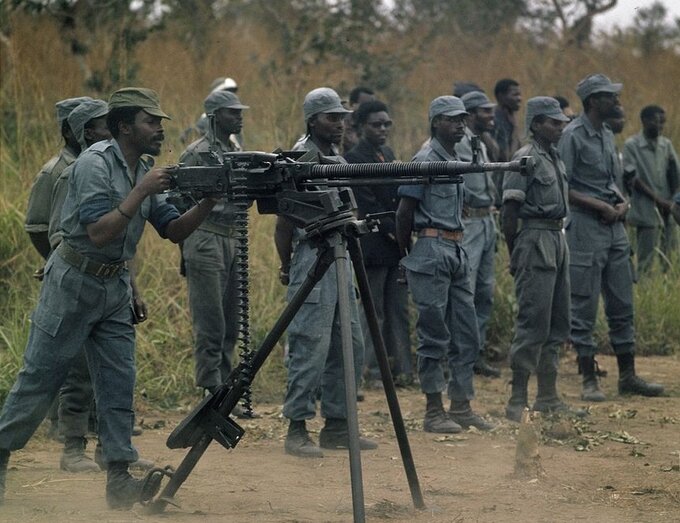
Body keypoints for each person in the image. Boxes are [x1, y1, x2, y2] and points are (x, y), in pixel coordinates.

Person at [0, 87, 218, 509]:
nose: (158, 129)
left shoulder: (146, 168)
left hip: (114, 287)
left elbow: (173, 230)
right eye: (150, 121)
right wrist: (142, 191)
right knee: (40, 380)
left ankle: (119, 476)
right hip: (73, 283)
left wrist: (210, 201)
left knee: (119, 383)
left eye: (159, 122)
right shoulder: (93, 164)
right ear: (124, 127)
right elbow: (99, 231)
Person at [274, 87, 376, 458]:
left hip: (343, 257)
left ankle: (338, 425)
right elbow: (284, 223)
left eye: (342, 117)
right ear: (312, 119)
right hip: (312, 257)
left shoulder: (338, 158)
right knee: (309, 345)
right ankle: (297, 427)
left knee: (349, 345)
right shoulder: (300, 158)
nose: (339, 124)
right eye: (332, 117)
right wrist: (287, 266)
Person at [558, 74, 664, 402]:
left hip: (614, 228)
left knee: (622, 302)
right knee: (584, 305)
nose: (617, 101)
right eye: (609, 97)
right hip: (586, 230)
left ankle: (628, 376)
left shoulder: (606, 134)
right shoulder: (572, 137)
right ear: (593, 101)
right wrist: (601, 206)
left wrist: (621, 203)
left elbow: (612, 179)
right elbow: (564, 186)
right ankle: (589, 378)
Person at [396, 96, 494, 434]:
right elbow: (404, 213)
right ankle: (433, 409)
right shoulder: (425, 159)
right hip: (431, 248)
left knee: (466, 332)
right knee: (433, 333)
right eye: (453, 120)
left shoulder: (454, 158)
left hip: (455, 248)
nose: (460, 126)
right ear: (436, 122)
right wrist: (405, 258)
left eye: (463, 120)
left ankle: (462, 404)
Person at [179, 89, 256, 417]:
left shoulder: (235, 149)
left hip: (231, 236)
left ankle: (224, 388)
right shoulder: (197, 153)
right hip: (206, 236)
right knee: (210, 320)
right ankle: (212, 389)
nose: (239, 116)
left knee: (230, 319)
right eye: (231, 112)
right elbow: (179, 203)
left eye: (239, 111)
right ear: (213, 117)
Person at [501, 97, 573, 421]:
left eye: (561, 122)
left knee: (558, 321)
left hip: (557, 239)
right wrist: (515, 252)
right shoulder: (525, 158)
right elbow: (509, 212)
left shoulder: (554, 158)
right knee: (533, 321)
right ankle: (518, 400)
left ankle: (548, 396)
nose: (559, 127)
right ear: (536, 124)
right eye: (553, 122)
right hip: (534, 240)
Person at [344, 100, 413, 388]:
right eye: (376, 124)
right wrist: (395, 230)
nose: (383, 129)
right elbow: (367, 203)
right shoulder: (354, 159)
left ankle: (403, 370)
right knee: (374, 312)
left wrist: (401, 233)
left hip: (395, 243)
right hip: (373, 243)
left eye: (386, 124)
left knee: (399, 310)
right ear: (360, 127)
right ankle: (370, 372)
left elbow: (398, 196)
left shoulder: (386, 153)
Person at [456, 91, 501, 379]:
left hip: (486, 222)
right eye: (485, 111)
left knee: (484, 292)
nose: (490, 116)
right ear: (471, 114)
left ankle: (477, 352)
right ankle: (461, 355)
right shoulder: (460, 143)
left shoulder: (479, 142)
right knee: (466, 291)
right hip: (470, 222)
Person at [623, 104, 679, 273]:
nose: (660, 126)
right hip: (646, 209)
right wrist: (658, 200)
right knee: (646, 259)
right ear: (645, 121)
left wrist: (673, 200)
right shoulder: (632, 145)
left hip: (669, 209)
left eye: (663, 122)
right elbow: (633, 179)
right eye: (656, 122)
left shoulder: (666, 144)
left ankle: (667, 291)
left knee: (670, 257)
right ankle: (644, 290)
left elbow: (675, 172)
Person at [492, 78, 522, 162]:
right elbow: (508, 159)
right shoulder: (494, 120)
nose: (519, 98)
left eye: (519, 95)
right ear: (501, 96)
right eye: (515, 95)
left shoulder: (509, 118)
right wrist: (515, 128)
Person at [341, 86, 376, 153]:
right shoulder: (344, 124)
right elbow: (360, 148)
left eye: (373, 105)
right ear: (352, 105)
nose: (371, 109)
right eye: (366, 105)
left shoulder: (372, 124)